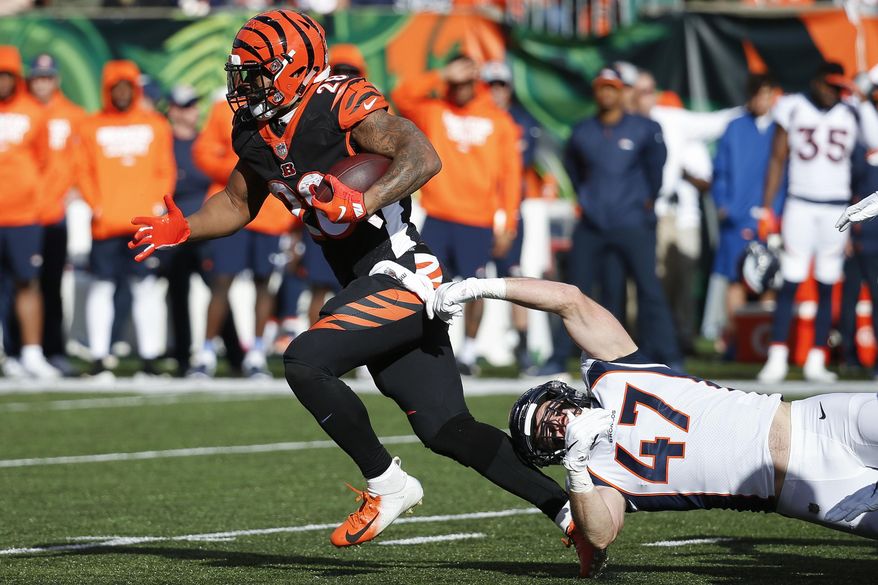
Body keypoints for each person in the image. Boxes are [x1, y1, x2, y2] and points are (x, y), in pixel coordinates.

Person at [128, 10, 582, 568]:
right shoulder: (255, 131)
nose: (244, 86)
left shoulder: (339, 101)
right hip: (366, 283)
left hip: (401, 275)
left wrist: (359, 201)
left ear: (293, 69)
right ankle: (568, 511)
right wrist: (186, 227)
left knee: (304, 360)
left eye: (257, 73)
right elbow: (239, 203)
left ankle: (387, 482)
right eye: (241, 74)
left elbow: (422, 156)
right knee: (448, 429)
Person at [392, 272, 878, 576]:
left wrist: (480, 288)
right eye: (548, 431)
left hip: (822, 421)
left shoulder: (614, 373)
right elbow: (600, 537)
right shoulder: (602, 476)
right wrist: (579, 470)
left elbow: (569, 299)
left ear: (562, 393)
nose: (558, 422)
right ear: (552, 451)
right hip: (805, 491)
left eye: (551, 410)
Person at [539, 66, 680, 376]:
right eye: (601, 87)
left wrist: (643, 203)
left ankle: (667, 354)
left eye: (612, 88)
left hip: (631, 221)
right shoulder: (582, 131)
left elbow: (655, 170)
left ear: (622, 91)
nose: (606, 94)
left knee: (647, 287)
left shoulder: (644, 128)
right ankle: (559, 357)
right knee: (573, 291)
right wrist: (589, 201)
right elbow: (574, 170)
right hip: (593, 223)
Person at [392, 53, 522, 376]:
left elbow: (511, 176)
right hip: (438, 215)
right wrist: (440, 74)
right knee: (428, 285)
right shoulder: (435, 110)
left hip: (478, 219)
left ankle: (469, 352)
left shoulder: (499, 120)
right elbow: (402, 97)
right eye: (456, 82)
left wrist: (507, 223)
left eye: (466, 81)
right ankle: (428, 347)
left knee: (475, 288)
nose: (460, 88)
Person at [757, 62, 870, 384]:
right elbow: (777, 158)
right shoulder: (792, 106)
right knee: (790, 279)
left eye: (839, 87)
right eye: (830, 85)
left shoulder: (852, 111)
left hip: (837, 207)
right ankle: (777, 354)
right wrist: (766, 208)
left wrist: (863, 101)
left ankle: (817, 357)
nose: (834, 93)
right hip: (800, 203)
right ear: (817, 80)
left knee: (826, 282)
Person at [78, 59, 175, 378]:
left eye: (126, 87)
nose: (121, 93)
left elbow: (165, 170)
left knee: (145, 286)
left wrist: (157, 206)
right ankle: (98, 357)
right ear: (107, 91)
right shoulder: (90, 126)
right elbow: (82, 170)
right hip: (105, 224)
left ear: (134, 89)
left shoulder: (156, 125)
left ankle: (149, 357)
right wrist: (96, 205)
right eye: (114, 88)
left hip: (143, 223)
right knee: (102, 287)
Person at [191, 92, 295, 378]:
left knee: (264, 282)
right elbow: (203, 152)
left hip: (271, 212)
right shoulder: (221, 108)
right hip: (230, 205)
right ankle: (206, 352)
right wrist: (245, 167)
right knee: (222, 280)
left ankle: (257, 353)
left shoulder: (287, 105)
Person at [708, 73, 782, 356]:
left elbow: (785, 175)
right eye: (757, 94)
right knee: (735, 278)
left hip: (770, 218)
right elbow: (720, 170)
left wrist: (777, 211)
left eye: (767, 94)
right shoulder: (734, 128)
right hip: (736, 219)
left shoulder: (780, 129)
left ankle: (762, 341)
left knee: (770, 277)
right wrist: (724, 203)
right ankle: (736, 341)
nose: (762, 101)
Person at [0, 45, 58, 379]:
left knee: (28, 282)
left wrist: (36, 201)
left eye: (8, 75)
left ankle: (32, 353)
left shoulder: (34, 112)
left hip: (24, 217)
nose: (3, 82)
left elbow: (45, 161)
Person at [26, 53, 86, 375]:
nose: (42, 83)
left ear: (57, 80)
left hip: (54, 213)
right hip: (19, 212)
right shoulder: (19, 113)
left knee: (50, 284)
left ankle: (53, 350)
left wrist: (75, 188)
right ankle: (18, 351)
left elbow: (82, 159)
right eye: (37, 78)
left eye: (47, 78)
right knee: (17, 283)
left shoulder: (73, 115)